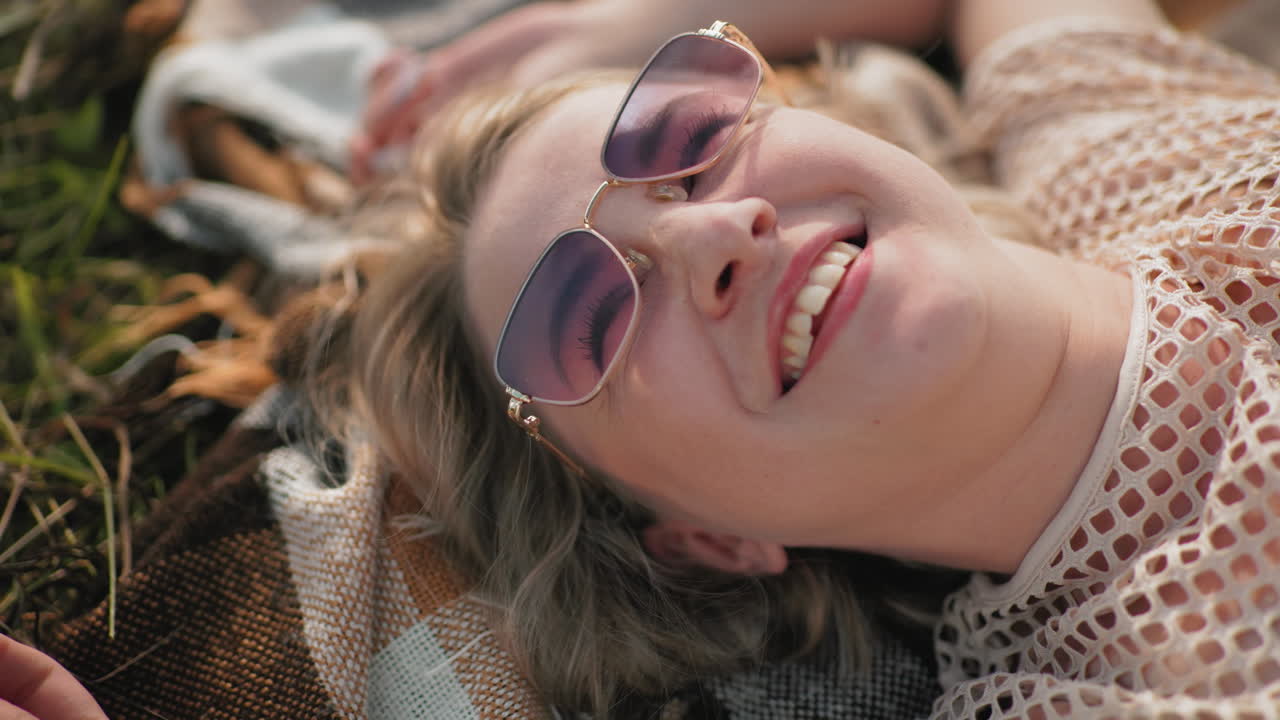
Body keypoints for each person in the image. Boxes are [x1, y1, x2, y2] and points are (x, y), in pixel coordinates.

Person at [321, 0, 1280, 716]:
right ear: (707, 542)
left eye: (691, 138)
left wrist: (631, 22)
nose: (715, 234)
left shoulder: (1114, 141)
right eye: (592, 320)